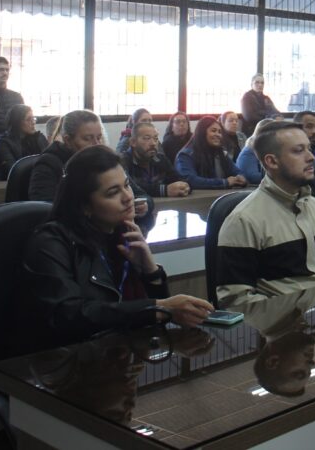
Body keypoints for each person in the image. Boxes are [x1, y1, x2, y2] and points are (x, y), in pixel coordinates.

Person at [14, 145, 213, 354]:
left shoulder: (121, 236)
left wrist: (150, 271)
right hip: (62, 360)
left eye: (126, 185)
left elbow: (155, 320)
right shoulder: (50, 242)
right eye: (113, 192)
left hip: (113, 354)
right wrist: (160, 308)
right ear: (85, 206)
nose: (128, 197)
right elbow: (69, 315)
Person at [216, 122, 315, 305]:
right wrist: (292, 315)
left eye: (309, 148)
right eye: (298, 151)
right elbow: (237, 300)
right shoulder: (243, 220)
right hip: (285, 319)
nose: (310, 157)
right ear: (272, 161)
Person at [29, 110, 156, 232]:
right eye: (87, 138)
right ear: (67, 140)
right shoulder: (49, 163)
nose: (96, 144)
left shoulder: (103, 160)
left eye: (99, 137)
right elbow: (45, 210)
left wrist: (144, 206)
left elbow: (143, 195)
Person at [119, 122, 190, 198]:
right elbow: (131, 188)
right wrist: (164, 190)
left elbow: (180, 179)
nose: (153, 143)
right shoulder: (122, 161)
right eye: (147, 138)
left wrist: (184, 187)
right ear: (133, 142)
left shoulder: (161, 159)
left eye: (155, 139)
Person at [174, 116, 247, 190]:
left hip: (219, 195)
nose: (218, 135)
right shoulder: (185, 155)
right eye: (213, 131)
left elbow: (237, 171)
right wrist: (224, 182)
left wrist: (241, 178)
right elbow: (191, 180)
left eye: (220, 132)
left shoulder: (220, 154)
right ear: (202, 132)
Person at [0, 104, 49, 178]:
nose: (33, 122)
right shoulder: (3, 143)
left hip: (40, 178)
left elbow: (48, 162)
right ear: (17, 122)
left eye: (33, 118)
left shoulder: (39, 138)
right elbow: (12, 170)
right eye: (28, 119)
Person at [236, 118, 277, 185]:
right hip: (250, 189)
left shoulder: (269, 150)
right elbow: (253, 177)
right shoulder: (249, 152)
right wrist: (279, 176)